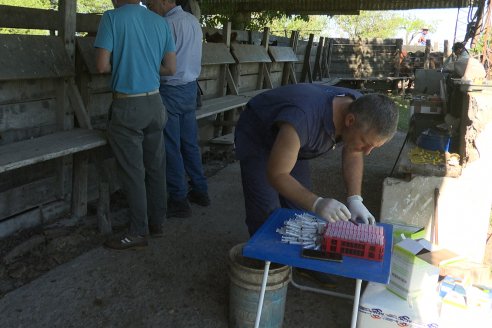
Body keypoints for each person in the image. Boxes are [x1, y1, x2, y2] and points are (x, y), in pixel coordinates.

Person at [234, 83, 399, 236]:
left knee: (299, 209)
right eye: (366, 143)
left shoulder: (361, 110)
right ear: (349, 120)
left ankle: (292, 258)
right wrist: (317, 203)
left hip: (296, 139)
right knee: (266, 212)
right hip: (259, 132)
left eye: (374, 147)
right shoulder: (304, 118)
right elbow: (277, 174)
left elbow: (353, 151)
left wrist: (355, 198)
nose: (367, 152)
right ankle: (268, 261)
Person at [94, 0, 176, 249]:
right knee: (155, 167)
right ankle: (157, 222)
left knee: (133, 173)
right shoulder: (160, 21)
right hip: (155, 103)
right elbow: (170, 68)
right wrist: (147, 66)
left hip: (128, 107)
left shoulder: (112, 18)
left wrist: (124, 65)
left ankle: (138, 231)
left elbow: (101, 65)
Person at [148, 0, 210, 218]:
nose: (148, 6)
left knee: (171, 146)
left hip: (170, 90)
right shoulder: (193, 21)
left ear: (164, 1)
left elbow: (160, 61)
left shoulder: (165, 24)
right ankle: (201, 190)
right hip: (190, 89)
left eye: (151, 2)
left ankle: (178, 198)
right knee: (189, 143)